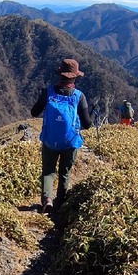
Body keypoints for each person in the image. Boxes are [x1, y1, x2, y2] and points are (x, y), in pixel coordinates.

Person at [31, 58, 93, 213]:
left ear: (60, 75)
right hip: (70, 142)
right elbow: (87, 124)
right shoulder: (79, 96)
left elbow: (34, 112)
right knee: (65, 173)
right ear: (75, 77)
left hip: (50, 140)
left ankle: (47, 200)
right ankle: (61, 204)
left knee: (48, 171)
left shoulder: (49, 92)